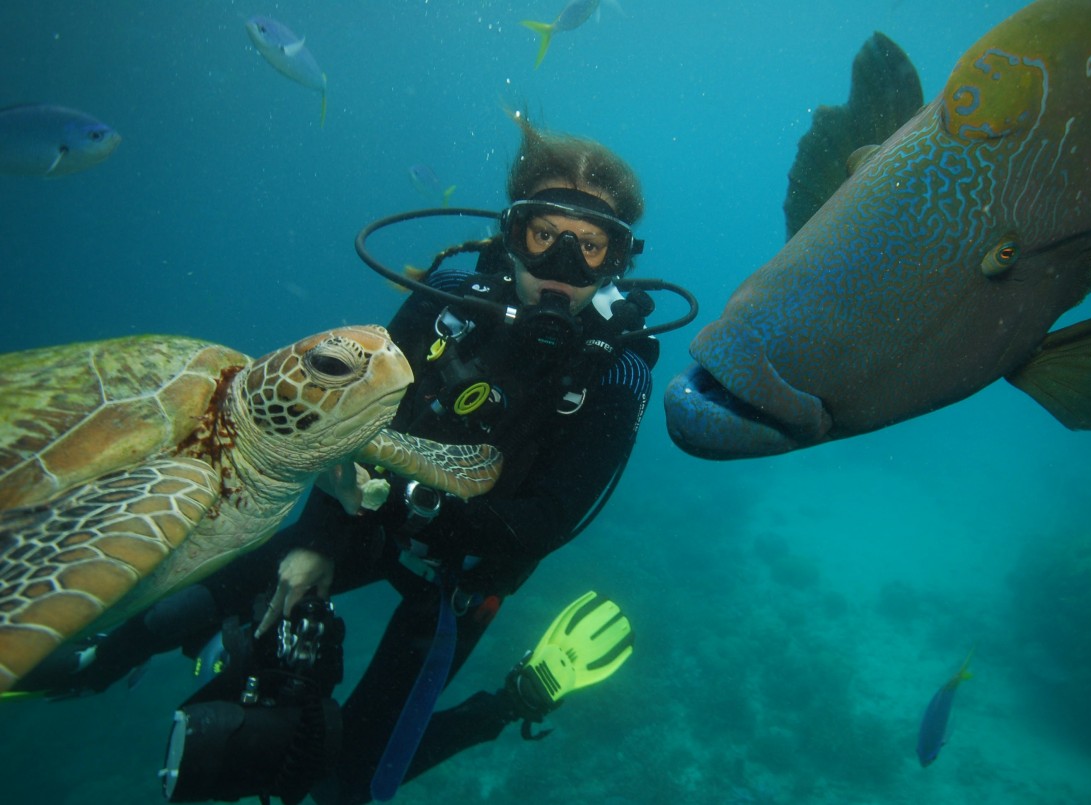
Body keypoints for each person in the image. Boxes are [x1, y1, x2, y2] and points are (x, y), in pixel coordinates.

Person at [20, 115, 661, 805]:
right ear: (511, 233)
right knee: (215, 588)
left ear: (618, 260)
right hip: (366, 511)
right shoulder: (451, 300)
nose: (560, 267)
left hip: (465, 573)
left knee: (347, 783)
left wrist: (419, 510)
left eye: (590, 247)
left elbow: (548, 520)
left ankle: (512, 701)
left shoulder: (616, 369)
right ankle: (96, 658)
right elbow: (347, 416)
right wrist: (322, 538)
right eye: (543, 236)